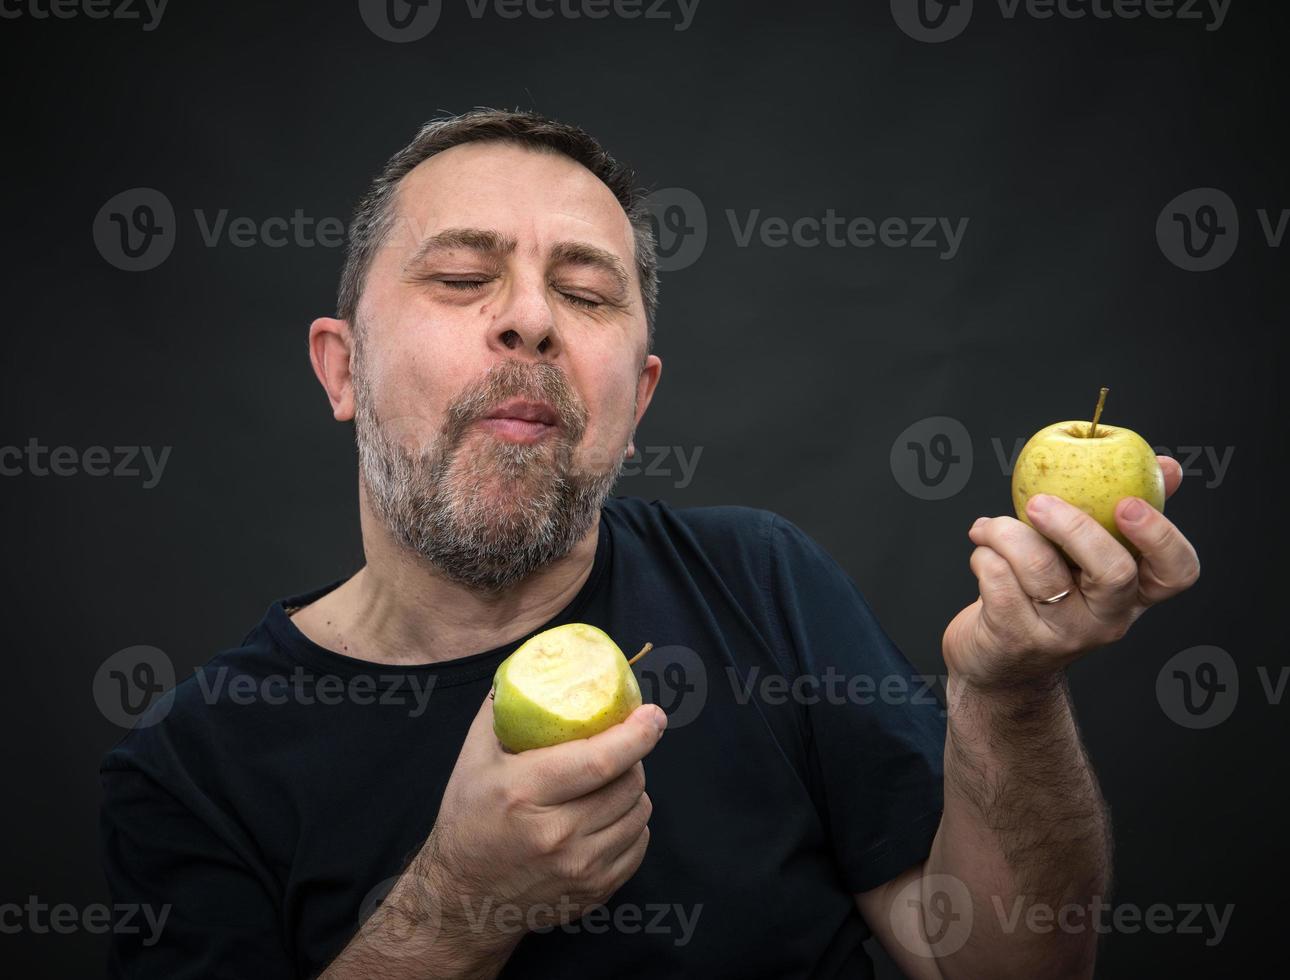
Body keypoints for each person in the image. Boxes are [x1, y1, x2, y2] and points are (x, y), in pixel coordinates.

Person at [99, 108, 1201, 979]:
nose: (530, 318)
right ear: (342, 369)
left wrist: (1012, 695)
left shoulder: (763, 584)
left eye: (584, 291)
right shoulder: (194, 763)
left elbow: (1003, 965)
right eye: (462, 277)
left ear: (638, 396)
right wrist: (459, 905)